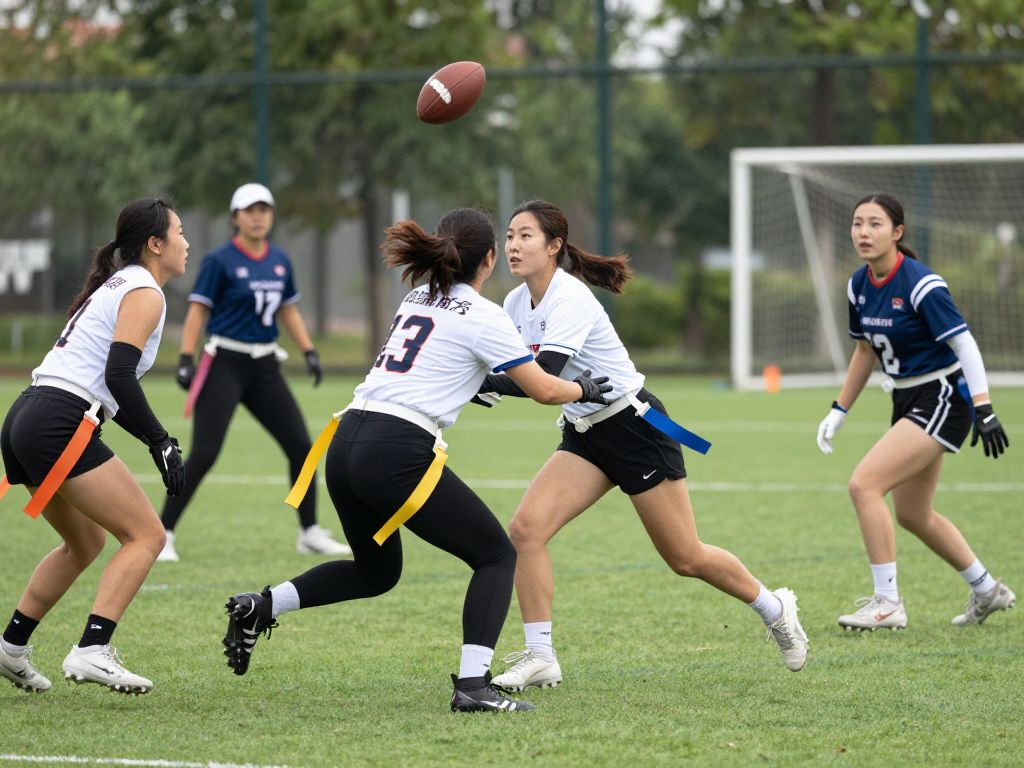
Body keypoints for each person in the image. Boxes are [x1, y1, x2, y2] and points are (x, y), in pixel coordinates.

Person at [220, 207, 611, 713]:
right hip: (395, 449)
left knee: (376, 572)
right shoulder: (487, 315)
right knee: (496, 555)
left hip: (345, 439)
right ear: (488, 258)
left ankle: (262, 606)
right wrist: (583, 386)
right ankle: (473, 686)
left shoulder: (416, 297)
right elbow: (541, 388)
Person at [478, 199, 808, 693]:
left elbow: (542, 378)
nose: (513, 245)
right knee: (526, 530)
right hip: (584, 431)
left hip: (635, 428)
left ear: (554, 247)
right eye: (509, 236)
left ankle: (775, 608)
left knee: (685, 558)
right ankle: (541, 655)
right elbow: (507, 370)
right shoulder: (513, 305)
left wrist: (483, 384)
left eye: (525, 236)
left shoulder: (570, 299)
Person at [0, 198, 188, 695]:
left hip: (27, 414)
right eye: (180, 232)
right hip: (59, 420)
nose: (186, 243)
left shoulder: (118, 283)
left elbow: (109, 388)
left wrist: (154, 439)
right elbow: (117, 377)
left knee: (85, 543)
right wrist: (160, 439)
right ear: (155, 244)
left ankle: (11, 647)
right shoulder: (145, 291)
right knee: (147, 535)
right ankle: (92, 649)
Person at [816, 193, 1014, 631]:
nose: (863, 233)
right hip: (906, 399)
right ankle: (986, 589)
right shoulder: (858, 284)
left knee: (864, 484)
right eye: (857, 224)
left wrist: (984, 407)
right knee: (912, 514)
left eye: (875, 224)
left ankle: (887, 603)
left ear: (897, 232)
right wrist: (839, 409)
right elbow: (865, 350)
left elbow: (965, 344)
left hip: (942, 397)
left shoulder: (923, 284)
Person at [158, 183, 349, 562]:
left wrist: (308, 350)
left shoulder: (279, 259)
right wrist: (185, 356)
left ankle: (309, 530)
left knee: (300, 447)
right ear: (235, 217)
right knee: (205, 452)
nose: (258, 216)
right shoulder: (219, 261)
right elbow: (198, 309)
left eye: (265, 209)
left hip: (264, 366)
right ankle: (163, 532)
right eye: (250, 210)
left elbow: (288, 309)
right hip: (224, 362)